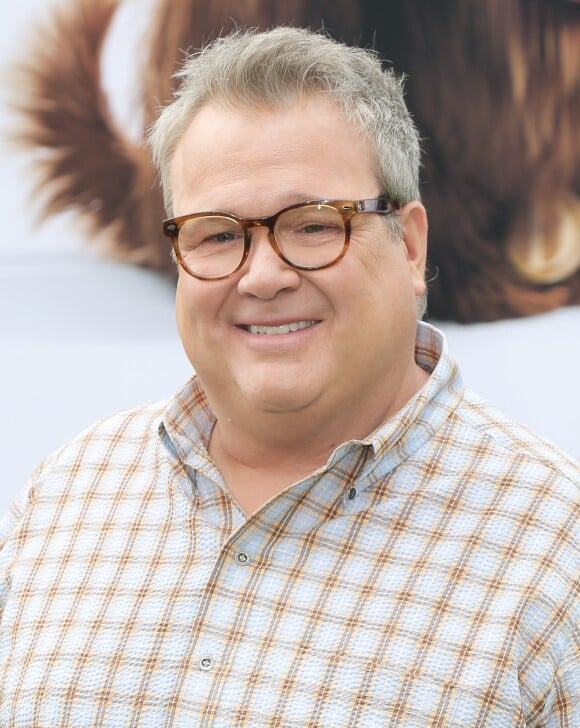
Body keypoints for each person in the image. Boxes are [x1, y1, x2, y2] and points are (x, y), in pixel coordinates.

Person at [0, 26, 577, 727]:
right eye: (217, 234)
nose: (264, 276)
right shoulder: (65, 500)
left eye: (312, 225)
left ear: (411, 246)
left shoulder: (556, 560)